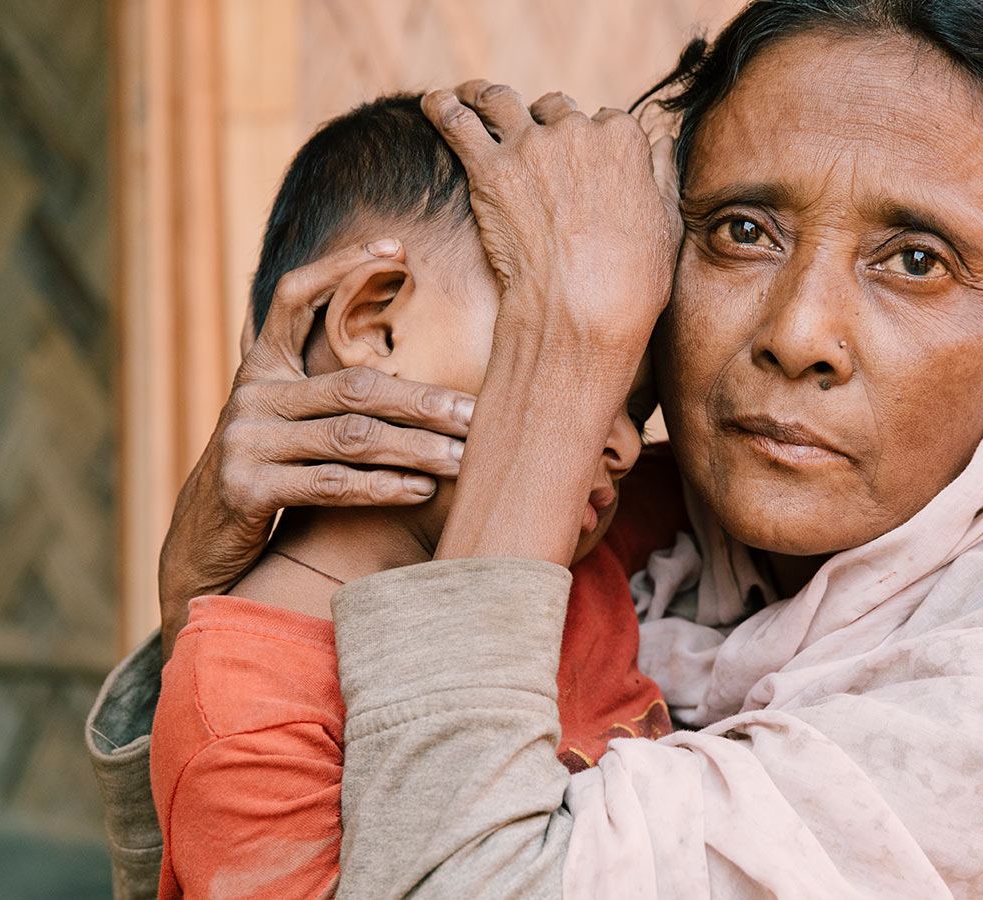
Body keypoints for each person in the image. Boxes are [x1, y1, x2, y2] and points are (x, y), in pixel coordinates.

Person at [92, 0, 983, 897]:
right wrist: (205, 588)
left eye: (915, 260)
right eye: (742, 230)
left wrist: (564, 340)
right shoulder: (682, 539)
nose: (798, 333)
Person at [137, 93, 684, 900]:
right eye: (563, 345)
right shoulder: (243, 701)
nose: (630, 442)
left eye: (634, 401)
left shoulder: (599, 534)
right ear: (375, 323)